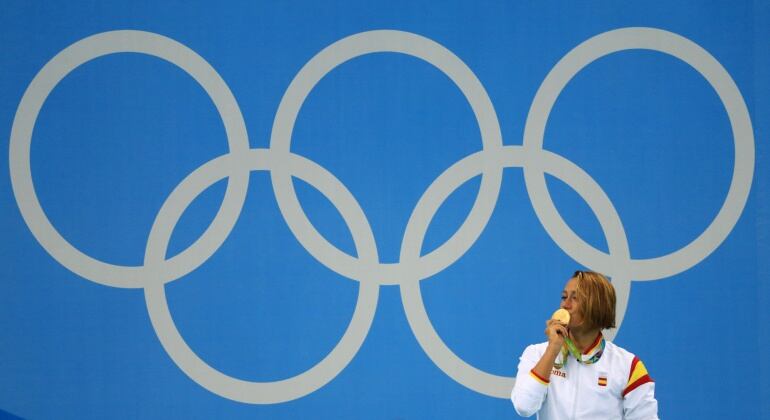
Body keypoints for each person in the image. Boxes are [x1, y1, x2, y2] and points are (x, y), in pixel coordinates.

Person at [511, 271, 658, 419]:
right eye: (564, 297)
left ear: (598, 306)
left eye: (575, 298)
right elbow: (524, 406)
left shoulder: (628, 366)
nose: (565, 305)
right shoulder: (537, 353)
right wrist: (552, 351)